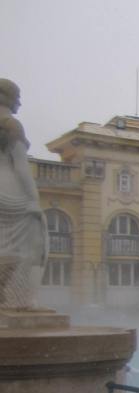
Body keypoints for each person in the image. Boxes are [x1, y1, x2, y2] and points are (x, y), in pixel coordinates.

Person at [0, 79, 47, 309]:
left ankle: (5, 298)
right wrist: (33, 200)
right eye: (17, 96)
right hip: (10, 187)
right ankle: (26, 299)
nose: (19, 102)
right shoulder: (11, 124)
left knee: (4, 245)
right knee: (37, 242)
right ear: (8, 98)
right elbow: (20, 165)